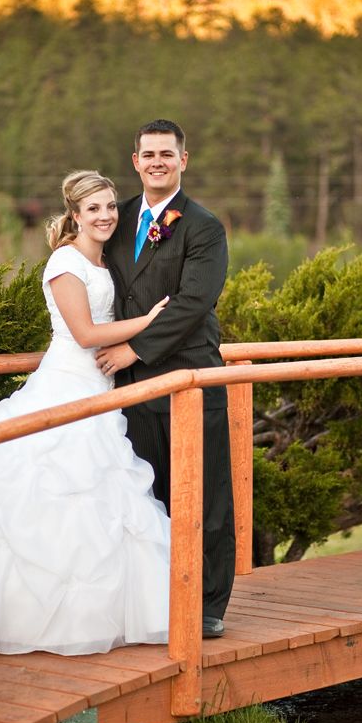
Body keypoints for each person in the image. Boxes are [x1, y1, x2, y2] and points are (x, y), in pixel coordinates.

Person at [0, 170, 171, 656]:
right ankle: (34, 623)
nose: (106, 215)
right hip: (65, 387)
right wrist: (149, 323)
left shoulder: (104, 259)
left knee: (103, 503)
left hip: (98, 388)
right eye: (94, 209)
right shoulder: (65, 263)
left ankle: (99, 618)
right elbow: (87, 334)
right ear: (75, 215)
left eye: (111, 206)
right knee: (56, 495)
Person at [98, 119, 236, 639]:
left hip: (187, 376)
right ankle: (153, 598)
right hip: (128, 386)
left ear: (184, 160)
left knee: (202, 495)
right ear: (134, 162)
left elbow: (194, 303)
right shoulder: (118, 217)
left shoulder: (203, 226)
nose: (157, 161)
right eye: (148, 154)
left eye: (167, 154)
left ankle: (208, 604)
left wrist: (134, 345)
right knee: (144, 491)